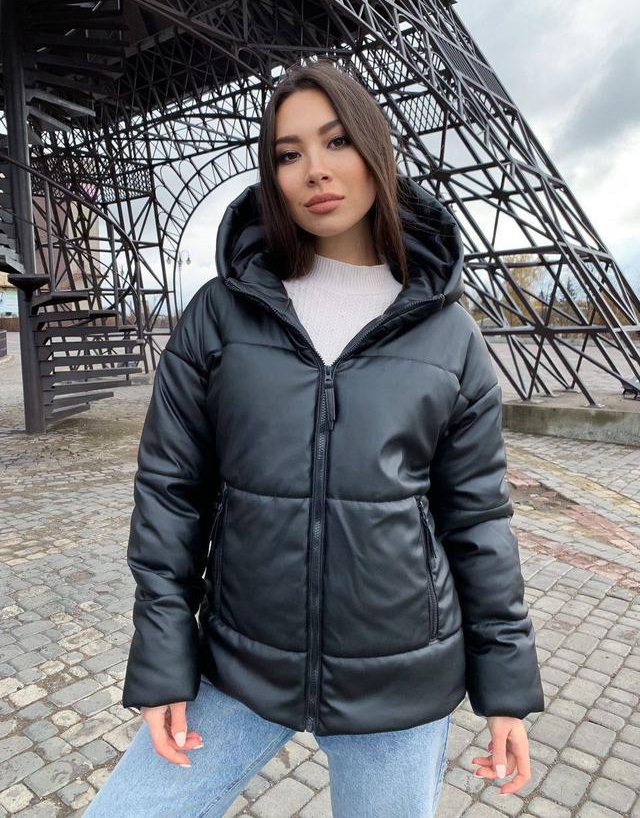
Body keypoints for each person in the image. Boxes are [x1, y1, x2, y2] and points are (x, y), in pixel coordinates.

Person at [84, 59, 544, 817]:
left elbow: (478, 520)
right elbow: (172, 492)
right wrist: (165, 659)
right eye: (287, 153)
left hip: (399, 683)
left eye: (336, 142)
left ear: (376, 151)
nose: (315, 171)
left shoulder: (449, 333)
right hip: (238, 665)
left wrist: (506, 690)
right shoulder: (220, 313)